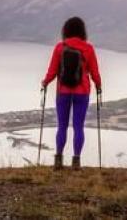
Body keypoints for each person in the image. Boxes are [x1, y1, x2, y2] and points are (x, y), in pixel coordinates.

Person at [41, 16, 102, 170]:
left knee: (62, 127)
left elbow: (52, 71)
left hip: (63, 92)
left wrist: (45, 82)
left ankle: (58, 161)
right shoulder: (88, 49)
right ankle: (76, 162)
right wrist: (99, 86)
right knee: (78, 127)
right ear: (82, 31)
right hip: (82, 93)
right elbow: (95, 72)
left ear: (66, 30)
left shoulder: (60, 47)